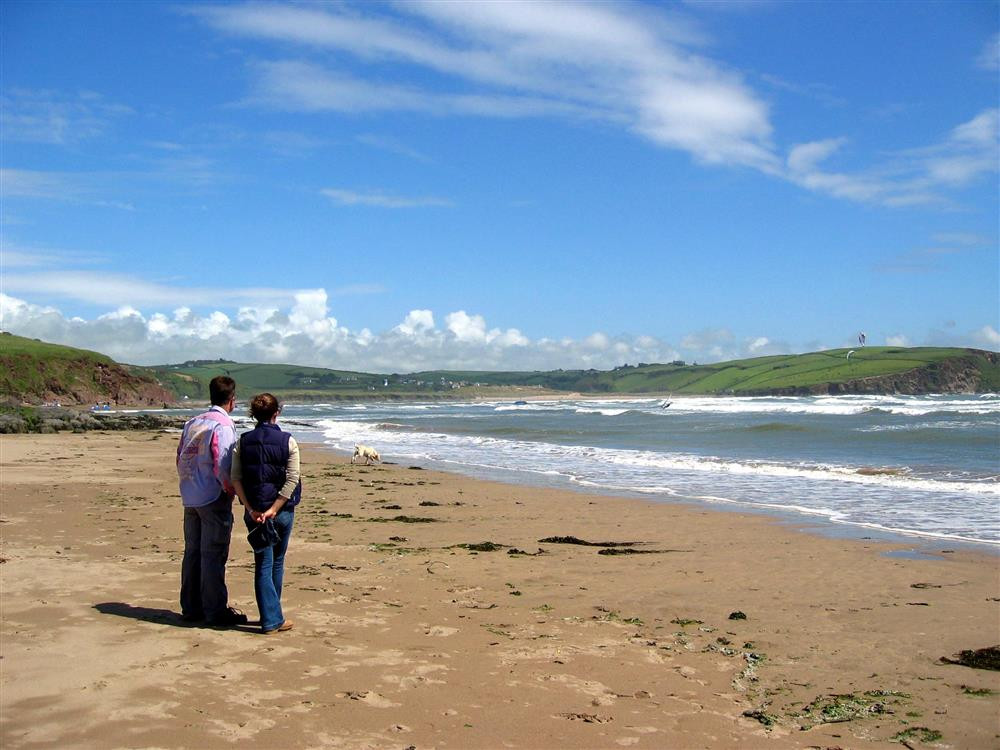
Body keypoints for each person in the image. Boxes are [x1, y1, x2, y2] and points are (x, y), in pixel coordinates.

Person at [176, 375, 247, 627]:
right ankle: (215, 610)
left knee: (193, 552)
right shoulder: (223, 426)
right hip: (212, 494)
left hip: (190, 493)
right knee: (213, 554)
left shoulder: (193, 422)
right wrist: (231, 491)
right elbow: (223, 463)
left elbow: (180, 456)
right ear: (232, 400)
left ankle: (191, 606)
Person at [231, 393, 301, 635]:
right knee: (276, 562)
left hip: (255, 510)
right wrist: (274, 509)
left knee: (264, 562)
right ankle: (271, 618)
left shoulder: (243, 442)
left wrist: (250, 508)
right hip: (281, 510)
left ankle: (272, 614)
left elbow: (236, 478)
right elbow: (292, 479)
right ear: (276, 413)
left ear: (254, 415)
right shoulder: (288, 441)